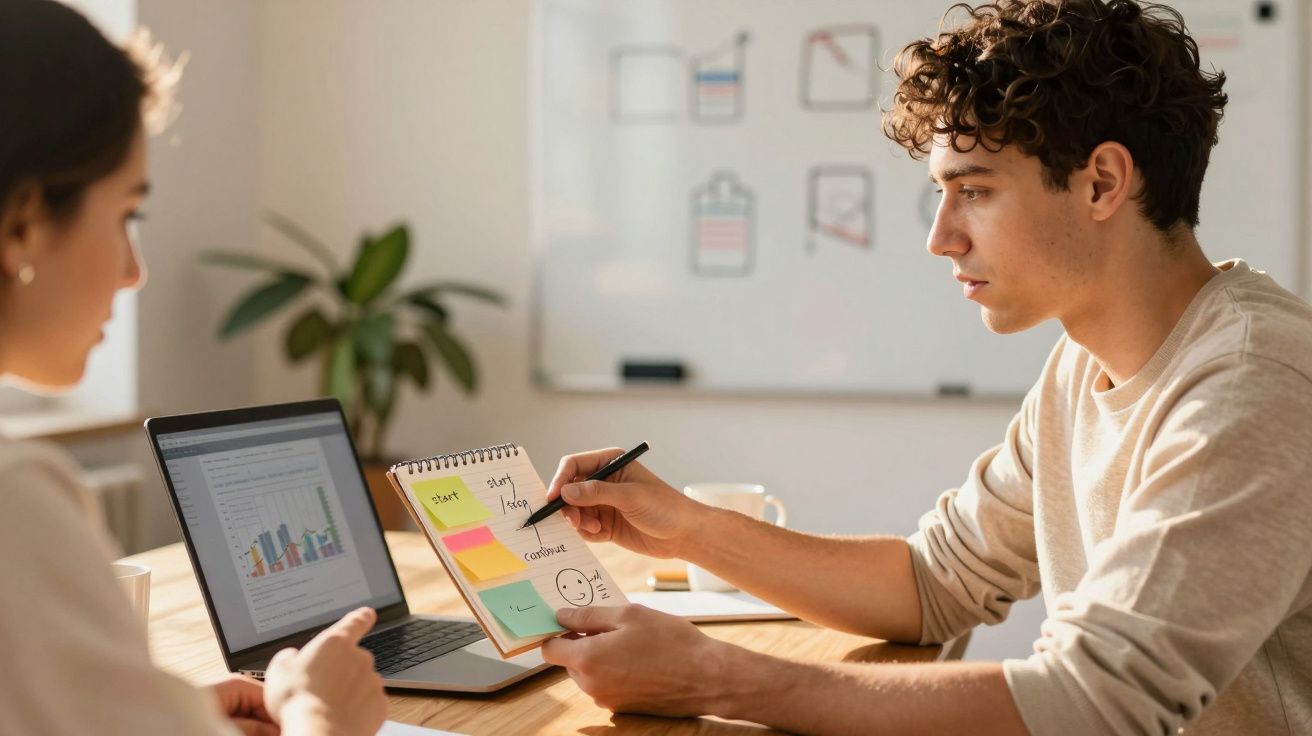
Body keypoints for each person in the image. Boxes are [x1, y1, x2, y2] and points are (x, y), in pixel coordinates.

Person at [540, 1, 1312, 734]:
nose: (940, 237)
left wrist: (712, 676)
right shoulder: (1083, 366)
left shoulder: (1253, 385)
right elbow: (932, 583)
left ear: (1102, 182)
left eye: (973, 191)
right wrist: (690, 529)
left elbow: (1096, 704)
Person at [0, 2, 387, 734]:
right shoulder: (15, 501)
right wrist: (318, 715)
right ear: (24, 221)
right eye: (126, 216)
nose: (134, 272)